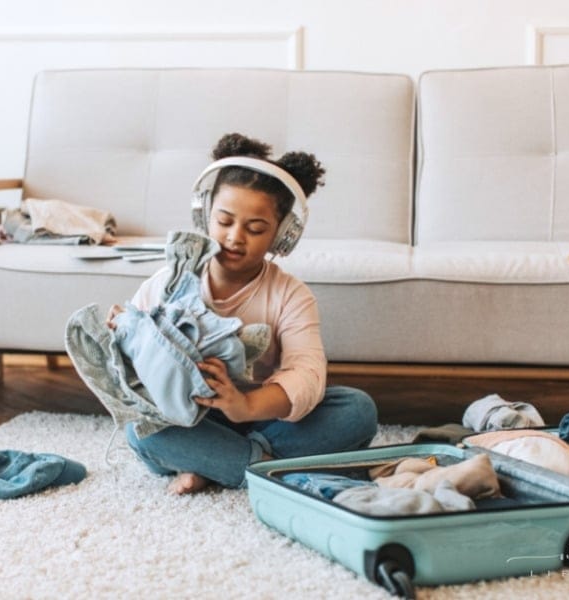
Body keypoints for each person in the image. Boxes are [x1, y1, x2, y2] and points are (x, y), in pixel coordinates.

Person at [107, 132, 378, 494]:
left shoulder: (291, 295)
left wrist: (246, 404)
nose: (235, 237)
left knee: (357, 409)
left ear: (282, 236)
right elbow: (132, 374)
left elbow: (307, 373)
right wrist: (124, 333)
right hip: (190, 420)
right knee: (141, 430)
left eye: (255, 229)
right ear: (204, 215)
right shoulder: (167, 280)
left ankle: (218, 464)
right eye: (225, 221)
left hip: (261, 416)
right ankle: (262, 469)